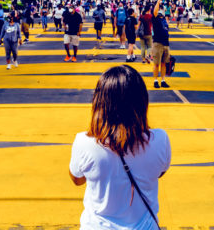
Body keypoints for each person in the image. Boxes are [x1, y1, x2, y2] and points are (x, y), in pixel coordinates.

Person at [69, 65, 171, 229]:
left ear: (99, 103)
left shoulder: (84, 142)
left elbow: (77, 179)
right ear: (142, 101)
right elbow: (160, 172)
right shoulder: (160, 140)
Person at [152, 0, 171, 89]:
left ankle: (163, 80)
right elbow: (155, 11)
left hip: (165, 44)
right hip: (157, 43)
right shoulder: (156, 19)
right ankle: (155, 80)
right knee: (156, 63)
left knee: (164, 63)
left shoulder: (164, 20)